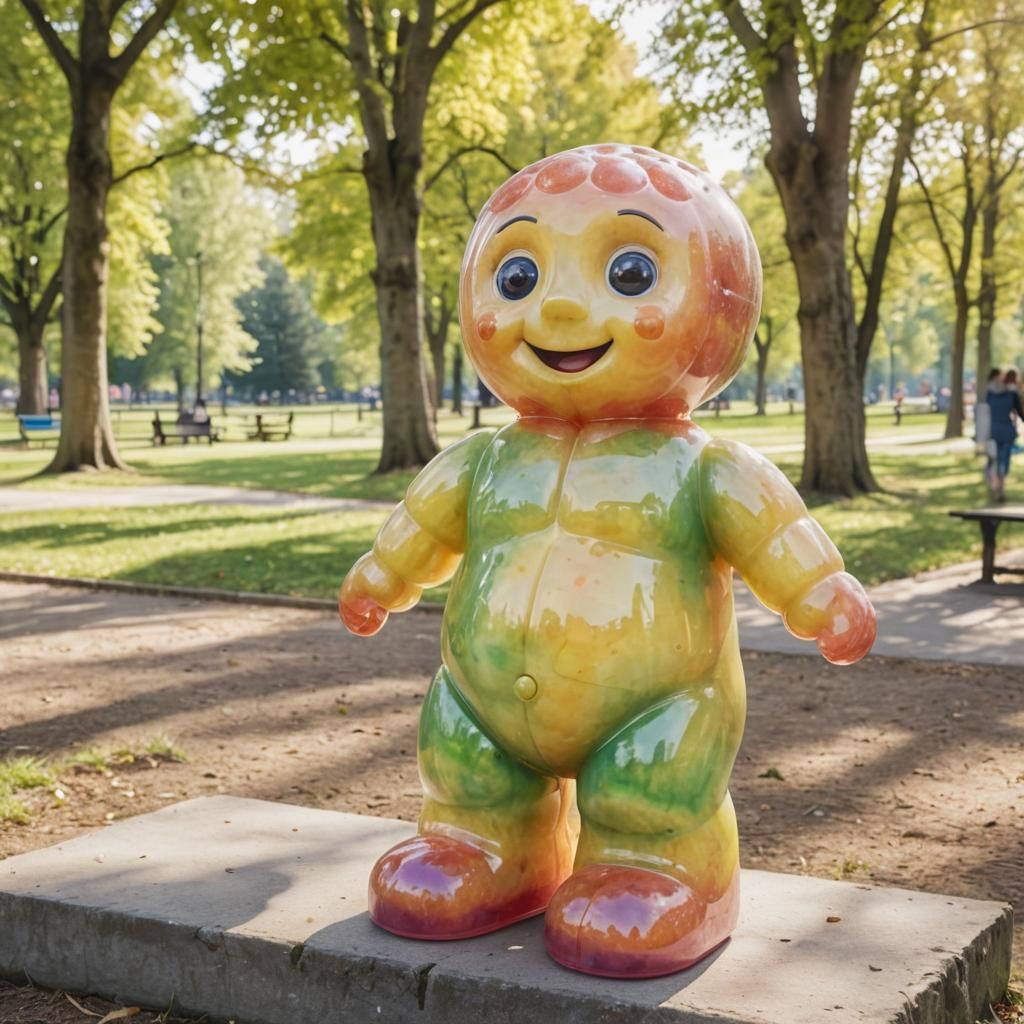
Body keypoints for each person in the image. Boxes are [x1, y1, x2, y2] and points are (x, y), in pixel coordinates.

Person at [985, 367, 1023, 502]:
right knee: (1003, 462)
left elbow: (984, 413)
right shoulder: (1012, 394)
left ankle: (994, 488)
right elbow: (1020, 412)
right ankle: (1000, 490)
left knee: (992, 461)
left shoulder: (989, 393)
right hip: (1006, 432)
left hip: (991, 432)